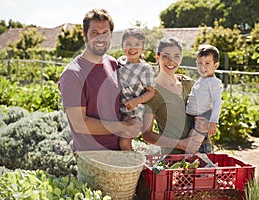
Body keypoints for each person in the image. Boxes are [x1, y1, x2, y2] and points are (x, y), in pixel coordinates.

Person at [58, 8, 140, 152]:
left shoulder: (113, 64)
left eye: (105, 33)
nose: (101, 39)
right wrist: (122, 127)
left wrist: (129, 121)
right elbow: (80, 124)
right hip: (92, 157)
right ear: (85, 35)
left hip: (118, 152)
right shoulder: (73, 74)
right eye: (95, 33)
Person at [142, 37, 213, 154]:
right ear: (157, 57)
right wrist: (182, 144)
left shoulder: (189, 83)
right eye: (166, 56)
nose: (171, 61)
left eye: (176, 56)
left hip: (203, 149)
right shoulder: (152, 92)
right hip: (175, 156)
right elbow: (147, 134)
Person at [117, 28, 155, 150]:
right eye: (128, 44)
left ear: (143, 47)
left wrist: (136, 101)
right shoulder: (120, 62)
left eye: (137, 44)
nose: (132, 48)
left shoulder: (145, 69)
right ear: (122, 46)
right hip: (118, 110)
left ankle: (133, 166)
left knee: (124, 142)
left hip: (133, 112)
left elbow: (151, 92)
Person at [186, 44, 223, 153]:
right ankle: (201, 162)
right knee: (196, 144)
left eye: (207, 63)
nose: (203, 67)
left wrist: (213, 121)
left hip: (202, 118)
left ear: (216, 65)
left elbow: (217, 102)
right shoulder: (202, 80)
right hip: (194, 118)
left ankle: (207, 164)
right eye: (200, 63)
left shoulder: (213, 82)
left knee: (192, 146)